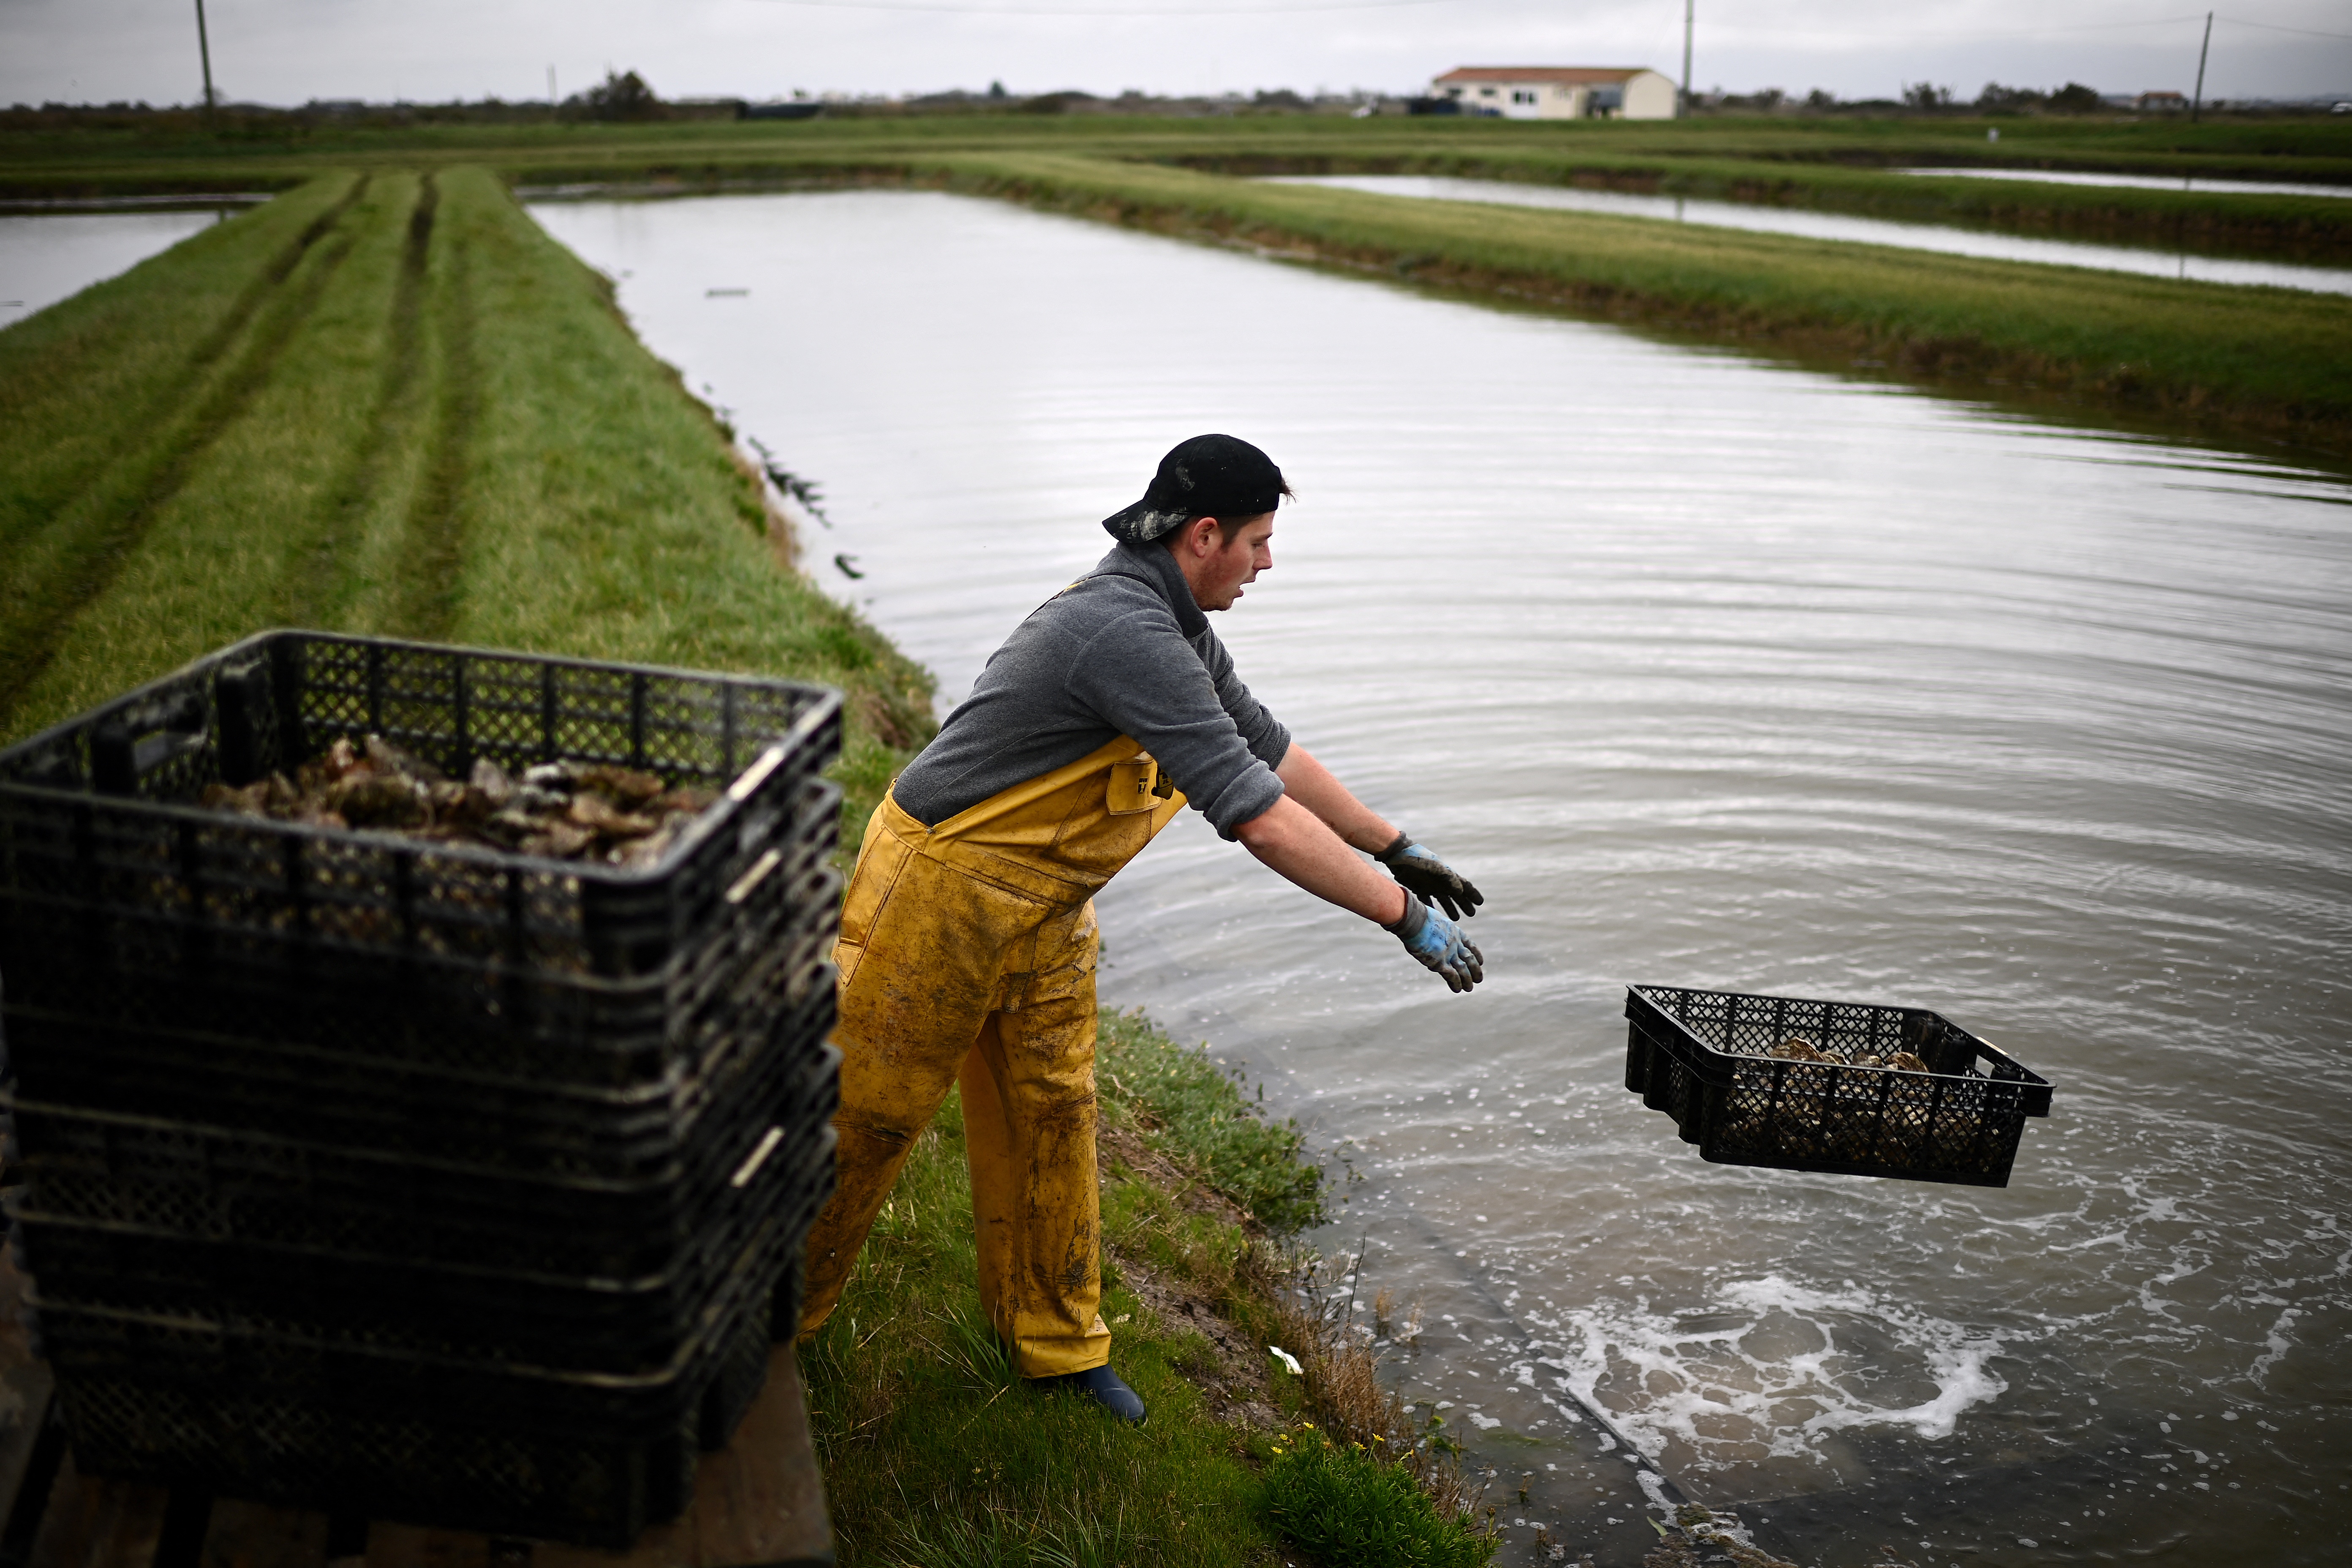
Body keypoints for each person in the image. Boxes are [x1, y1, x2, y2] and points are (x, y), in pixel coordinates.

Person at [793, 434, 1484, 1425]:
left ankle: (1057, 1346)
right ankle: (772, 1331)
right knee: (867, 1118)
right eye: (1258, 541)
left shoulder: (1174, 618)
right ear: (1204, 535)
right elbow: (1255, 812)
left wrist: (1397, 841)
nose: (1267, 562)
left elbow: (1268, 746)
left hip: (1042, 907)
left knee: (1053, 1117)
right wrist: (1401, 915)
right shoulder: (1122, 631)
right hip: (938, 893)